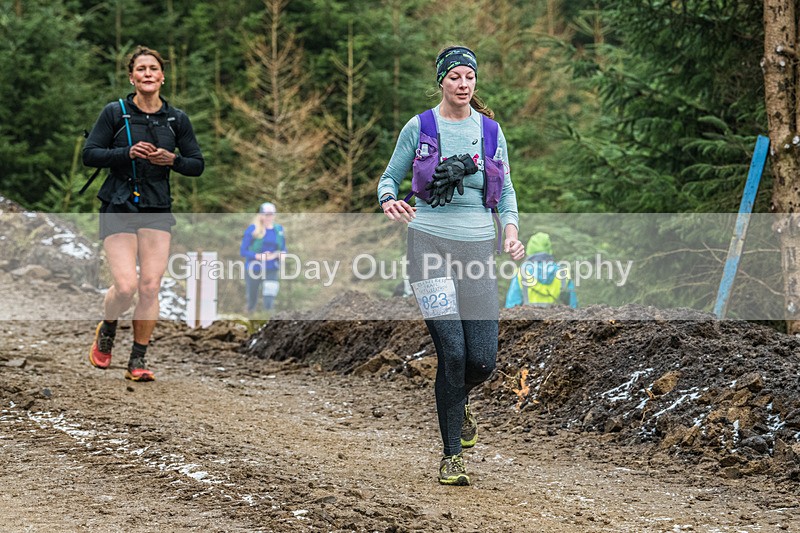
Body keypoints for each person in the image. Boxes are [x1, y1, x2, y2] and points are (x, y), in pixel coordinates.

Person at [378, 45, 524, 486]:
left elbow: (509, 192)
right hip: (428, 247)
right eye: (455, 77)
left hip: (478, 252)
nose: (463, 85)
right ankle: (452, 456)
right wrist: (389, 201)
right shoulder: (420, 127)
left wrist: (511, 232)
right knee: (453, 353)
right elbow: (389, 178)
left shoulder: (492, 132)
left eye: (470, 78)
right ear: (442, 80)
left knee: (482, 361)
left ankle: (457, 403)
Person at [83, 45, 204, 381]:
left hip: (156, 207)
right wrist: (127, 152)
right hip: (119, 204)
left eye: (153, 68)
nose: (147, 74)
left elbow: (197, 164)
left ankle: (138, 360)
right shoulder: (115, 112)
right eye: (141, 69)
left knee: (150, 287)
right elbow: (90, 154)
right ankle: (108, 328)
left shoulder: (176, 119)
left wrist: (173, 160)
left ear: (162, 77)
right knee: (126, 287)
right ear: (132, 77)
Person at [505, 232, 578, 308]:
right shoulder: (563, 274)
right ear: (549, 249)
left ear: (529, 250)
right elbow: (573, 307)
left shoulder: (521, 274)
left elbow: (511, 306)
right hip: (557, 318)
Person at [239, 202, 287, 313]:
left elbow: (283, 247)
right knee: (252, 299)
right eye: (266, 215)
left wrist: (282, 254)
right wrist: (258, 256)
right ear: (261, 215)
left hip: (271, 268)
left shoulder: (278, 230)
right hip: (254, 268)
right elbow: (243, 251)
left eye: (271, 215)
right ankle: (250, 321)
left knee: (269, 298)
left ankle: (267, 321)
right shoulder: (252, 230)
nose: (269, 217)